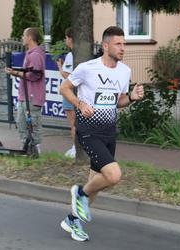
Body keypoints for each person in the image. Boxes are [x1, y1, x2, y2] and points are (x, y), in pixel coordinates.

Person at [59, 26, 144, 241]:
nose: (122, 48)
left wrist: (132, 97)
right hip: (88, 131)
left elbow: (118, 101)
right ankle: (79, 193)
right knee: (113, 175)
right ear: (106, 46)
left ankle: (72, 220)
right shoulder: (87, 68)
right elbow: (64, 88)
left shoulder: (124, 71)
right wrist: (79, 104)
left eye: (124, 44)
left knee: (95, 184)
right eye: (118, 44)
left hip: (108, 133)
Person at [5, 27, 46, 154]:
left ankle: (36, 151)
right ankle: (27, 149)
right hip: (25, 96)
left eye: (24, 35)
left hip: (32, 97)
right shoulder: (30, 53)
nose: (22, 38)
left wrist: (16, 73)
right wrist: (16, 72)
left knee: (32, 124)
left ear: (29, 38)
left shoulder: (35, 55)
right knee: (21, 122)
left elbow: (35, 75)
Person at [56, 27, 76, 158]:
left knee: (73, 123)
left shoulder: (70, 55)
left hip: (70, 93)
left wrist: (59, 66)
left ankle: (75, 149)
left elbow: (67, 75)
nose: (65, 40)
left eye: (66, 38)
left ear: (70, 39)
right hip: (80, 93)